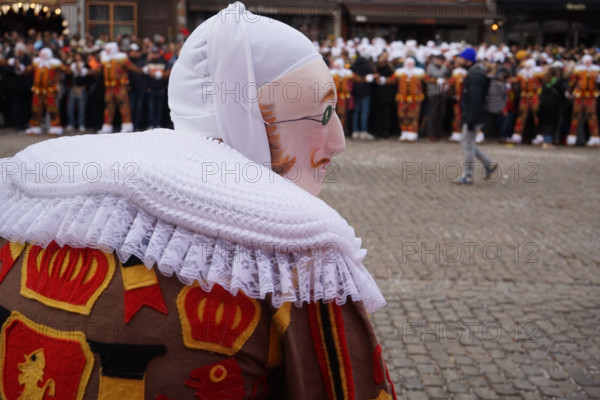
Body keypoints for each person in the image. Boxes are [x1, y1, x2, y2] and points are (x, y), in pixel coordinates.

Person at [0, 3, 395, 399]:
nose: (338, 142)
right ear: (245, 113)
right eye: (320, 114)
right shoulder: (300, 255)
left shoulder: (26, 195)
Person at [454, 47, 497, 185]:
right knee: (468, 141)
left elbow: (476, 99)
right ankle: (488, 164)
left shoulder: (475, 75)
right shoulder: (475, 73)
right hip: (474, 114)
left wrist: (471, 119)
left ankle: (467, 175)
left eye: (461, 58)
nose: (458, 60)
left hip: (474, 115)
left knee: (467, 142)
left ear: (467, 60)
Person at [566, 54, 600, 147]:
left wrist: (597, 77)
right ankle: (572, 138)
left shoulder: (596, 70)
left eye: (589, 61)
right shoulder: (578, 70)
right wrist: (569, 91)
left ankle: (595, 138)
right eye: (586, 61)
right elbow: (572, 82)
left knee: (592, 117)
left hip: (591, 96)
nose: (588, 63)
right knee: (576, 116)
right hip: (579, 95)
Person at [508, 58, 544, 144]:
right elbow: (515, 80)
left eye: (528, 66)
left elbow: (543, 81)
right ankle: (517, 135)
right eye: (526, 66)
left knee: (536, 116)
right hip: (525, 96)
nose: (526, 68)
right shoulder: (522, 74)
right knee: (521, 115)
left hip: (534, 96)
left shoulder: (537, 74)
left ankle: (539, 135)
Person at [395, 57, 425, 142]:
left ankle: (412, 132)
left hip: (415, 99)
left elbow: (428, 79)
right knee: (402, 116)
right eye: (408, 64)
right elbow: (392, 79)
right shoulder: (400, 73)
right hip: (402, 99)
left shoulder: (419, 73)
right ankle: (404, 131)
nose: (410, 65)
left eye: (411, 64)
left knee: (414, 116)